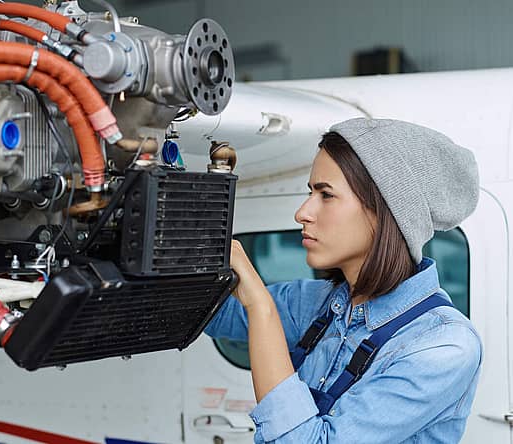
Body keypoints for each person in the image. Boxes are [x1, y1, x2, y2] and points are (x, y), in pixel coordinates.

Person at [204, 118, 482, 443]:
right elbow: (211, 311)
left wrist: (260, 306)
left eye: (326, 195)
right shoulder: (317, 304)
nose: (303, 213)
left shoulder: (443, 347)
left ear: (383, 212)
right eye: (311, 192)